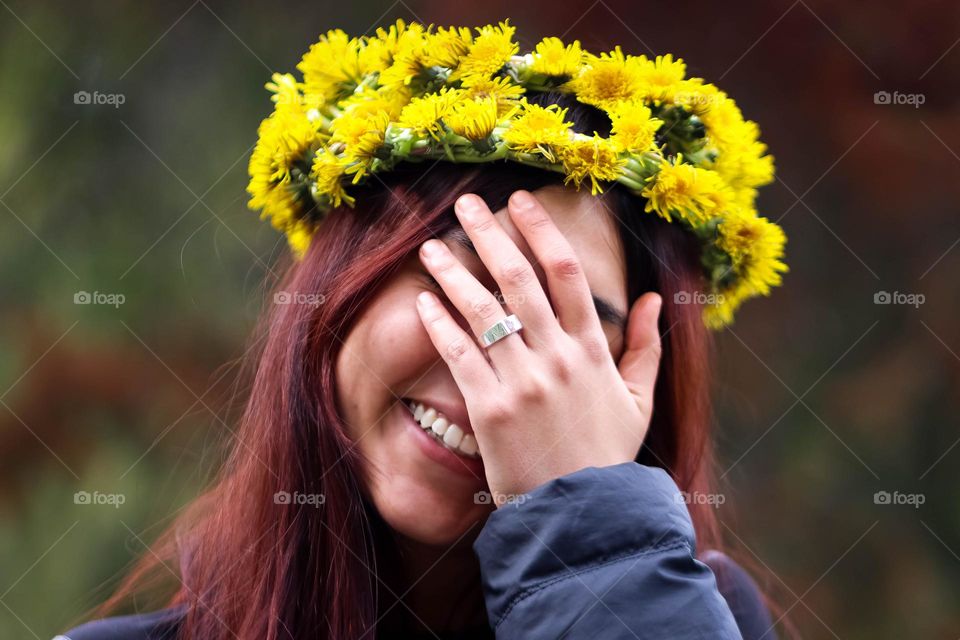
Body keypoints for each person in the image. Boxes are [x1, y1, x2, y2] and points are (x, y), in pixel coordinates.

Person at [56, 20, 786, 640]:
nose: (498, 380)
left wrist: (597, 556)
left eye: (561, 325)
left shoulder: (706, 618)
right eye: (460, 282)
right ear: (340, 285)